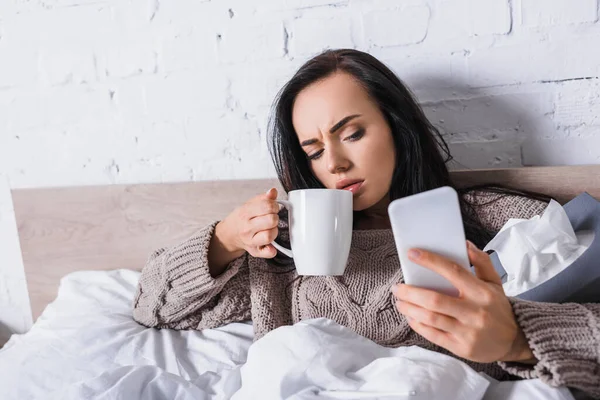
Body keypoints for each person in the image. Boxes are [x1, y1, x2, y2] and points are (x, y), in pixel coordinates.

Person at [133, 49, 599, 397]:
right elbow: (152, 307)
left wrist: (518, 339)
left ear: (397, 127)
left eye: (352, 133)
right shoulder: (280, 252)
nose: (333, 163)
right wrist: (223, 240)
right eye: (313, 151)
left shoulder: (487, 218)